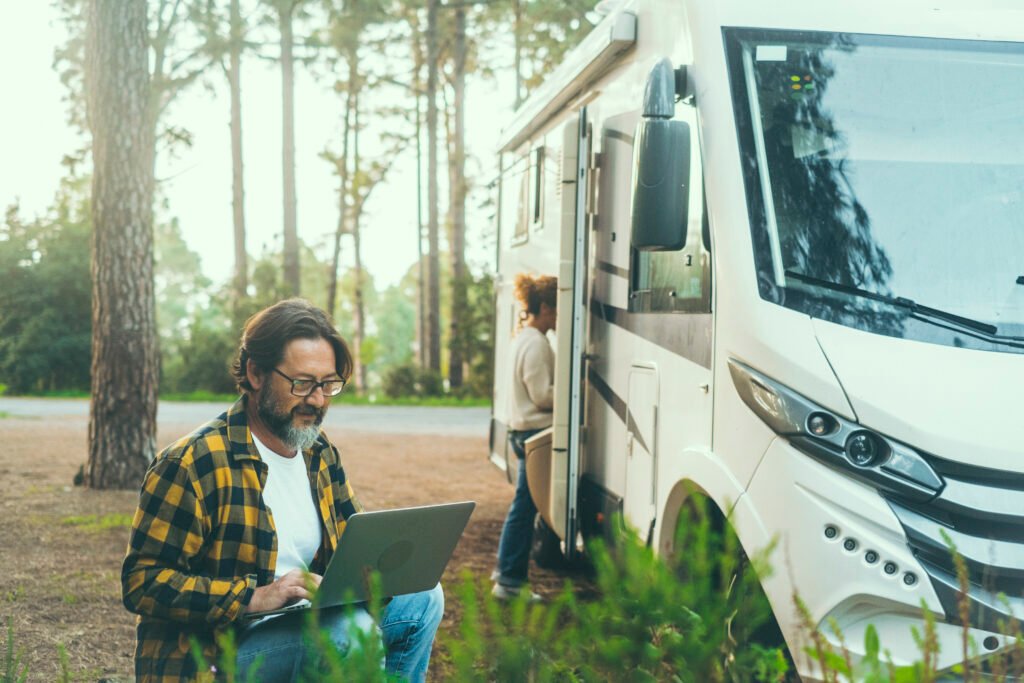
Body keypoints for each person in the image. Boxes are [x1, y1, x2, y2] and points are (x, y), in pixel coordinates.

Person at [121, 298, 443, 683]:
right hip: (216, 654)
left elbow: (350, 542)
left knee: (424, 599)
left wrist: (372, 573)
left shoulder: (319, 453)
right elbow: (142, 582)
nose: (318, 400)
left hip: (305, 625)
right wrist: (255, 597)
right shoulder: (192, 463)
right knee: (345, 633)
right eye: (302, 383)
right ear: (256, 373)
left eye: (328, 384)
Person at [491, 273, 558, 601]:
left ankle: (506, 571)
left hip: (523, 431)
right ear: (544, 307)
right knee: (524, 508)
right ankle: (509, 580)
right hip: (534, 433)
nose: (561, 315)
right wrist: (579, 393)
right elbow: (542, 395)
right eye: (558, 308)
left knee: (524, 506)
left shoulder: (525, 339)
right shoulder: (535, 343)